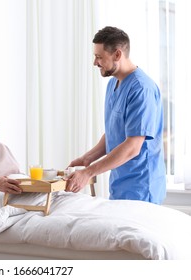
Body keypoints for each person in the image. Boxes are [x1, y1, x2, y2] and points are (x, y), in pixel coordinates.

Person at [65, 26, 166, 204]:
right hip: (119, 184)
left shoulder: (141, 89)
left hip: (141, 188)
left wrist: (88, 173)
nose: (95, 62)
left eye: (99, 57)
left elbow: (133, 146)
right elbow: (114, 131)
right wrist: (87, 159)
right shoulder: (113, 84)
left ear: (117, 55)